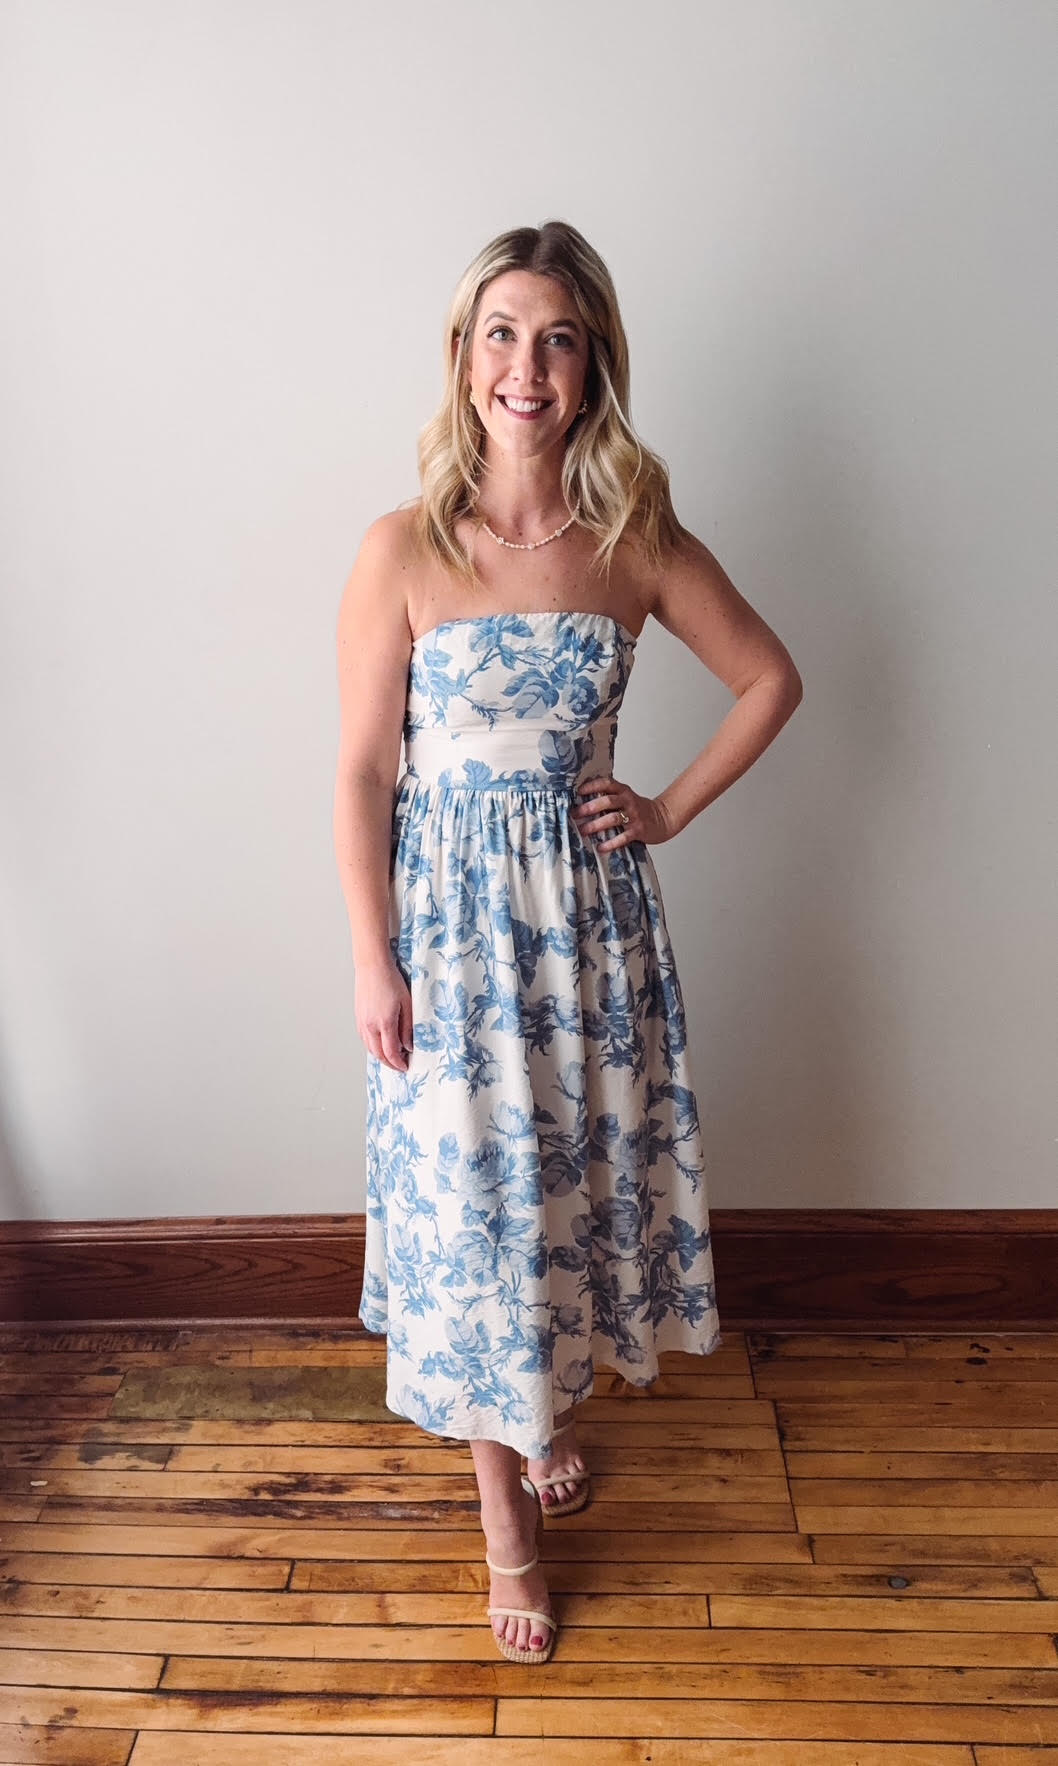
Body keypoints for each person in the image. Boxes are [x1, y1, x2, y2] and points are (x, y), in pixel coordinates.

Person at [333, 219, 802, 1666]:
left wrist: (660, 807)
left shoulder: (630, 542)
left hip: (587, 943)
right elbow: (361, 769)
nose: (521, 366)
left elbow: (769, 677)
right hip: (449, 943)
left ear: (592, 361)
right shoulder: (401, 548)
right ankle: (509, 1532)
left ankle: (543, 1420)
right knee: (473, 1225)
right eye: (497, 333)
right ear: (461, 357)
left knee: (564, 1204)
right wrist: (372, 956)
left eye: (554, 337)